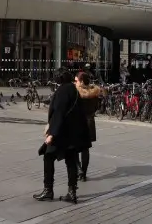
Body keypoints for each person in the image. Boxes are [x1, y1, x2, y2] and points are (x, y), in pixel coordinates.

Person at [34, 68, 91, 204]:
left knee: (48, 157)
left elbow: (59, 113)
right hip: (72, 134)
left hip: (62, 134)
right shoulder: (73, 89)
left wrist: (52, 134)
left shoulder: (62, 91)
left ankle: (48, 190)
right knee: (71, 161)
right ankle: (72, 193)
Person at [74, 71, 101, 182]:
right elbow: (96, 107)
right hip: (89, 121)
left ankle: (78, 168)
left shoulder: (76, 93)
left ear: (80, 81)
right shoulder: (94, 92)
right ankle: (83, 174)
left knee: (74, 148)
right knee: (85, 149)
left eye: (76, 80)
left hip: (78, 121)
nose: (75, 82)